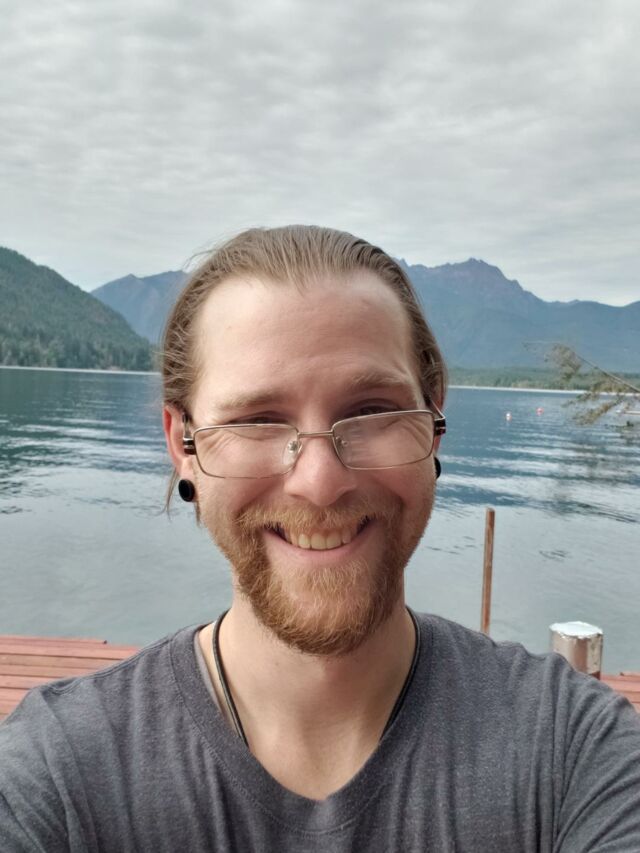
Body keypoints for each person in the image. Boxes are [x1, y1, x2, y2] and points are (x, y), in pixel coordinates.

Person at [1, 226, 639, 852]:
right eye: (257, 419)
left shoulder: (575, 749)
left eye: (371, 412)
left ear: (434, 421)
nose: (320, 482)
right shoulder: (59, 771)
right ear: (183, 445)